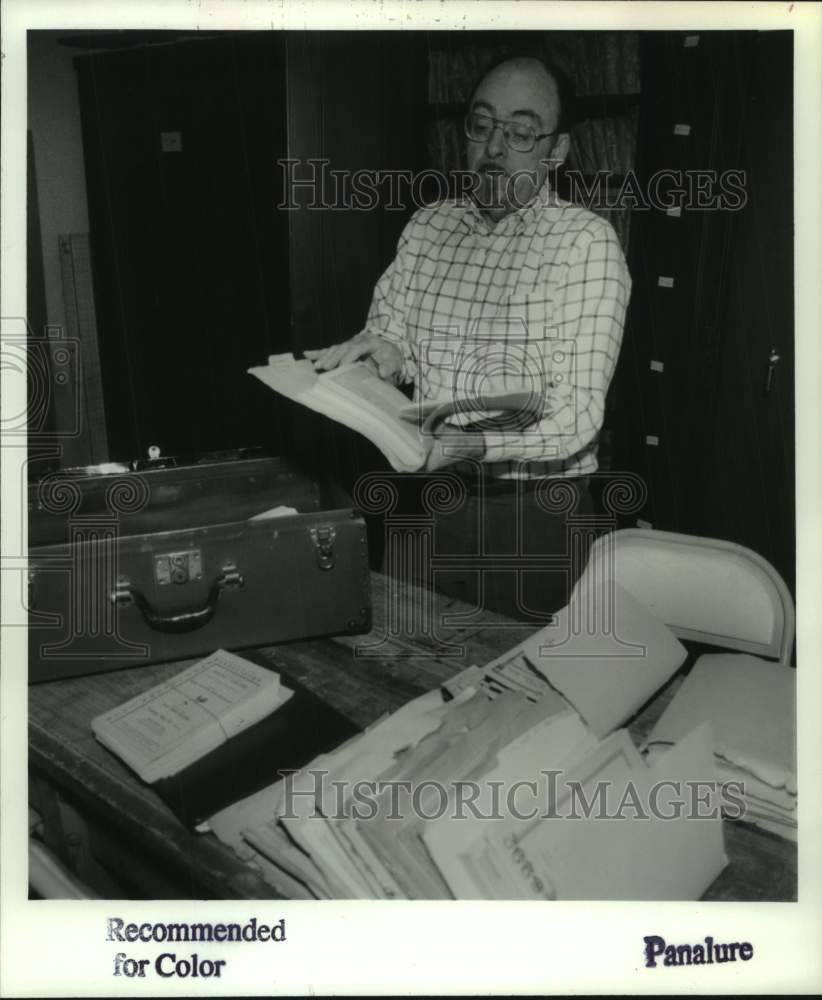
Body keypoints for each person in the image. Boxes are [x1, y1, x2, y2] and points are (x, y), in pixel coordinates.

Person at [305, 55, 631, 621]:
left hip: (530, 516)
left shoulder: (586, 244)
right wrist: (381, 353)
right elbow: (392, 334)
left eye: (522, 132)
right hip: (426, 502)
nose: (495, 148)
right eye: (482, 126)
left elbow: (577, 416)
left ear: (557, 151)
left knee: (522, 690)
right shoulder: (431, 225)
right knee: (406, 666)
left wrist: (469, 444)